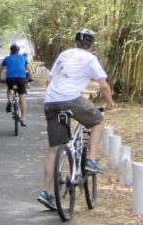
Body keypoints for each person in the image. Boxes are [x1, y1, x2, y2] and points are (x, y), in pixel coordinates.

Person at [37, 28, 114, 212]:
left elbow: (50, 81)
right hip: (71, 99)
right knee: (97, 121)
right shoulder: (90, 58)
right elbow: (103, 85)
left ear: (76, 42)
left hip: (51, 101)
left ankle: (47, 193)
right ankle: (92, 160)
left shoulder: (64, 54)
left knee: (54, 149)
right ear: (91, 44)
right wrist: (110, 102)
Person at [0, 43, 32, 126]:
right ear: (18, 51)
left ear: (11, 51)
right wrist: (30, 78)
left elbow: (1, 71)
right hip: (21, 79)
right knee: (22, 99)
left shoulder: (7, 58)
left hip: (10, 79)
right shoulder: (24, 58)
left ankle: (9, 100)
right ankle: (23, 118)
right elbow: (29, 70)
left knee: (9, 88)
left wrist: (0, 79)